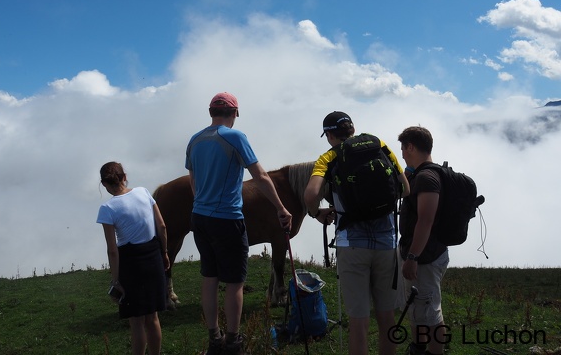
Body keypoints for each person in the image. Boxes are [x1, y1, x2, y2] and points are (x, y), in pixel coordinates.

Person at [185, 92, 292, 355]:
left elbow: (193, 180)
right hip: (227, 219)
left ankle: (215, 341)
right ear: (235, 114)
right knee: (234, 282)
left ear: (211, 111)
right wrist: (281, 207)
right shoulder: (234, 137)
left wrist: (203, 201)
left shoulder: (195, 139)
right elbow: (261, 176)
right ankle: (233, 343)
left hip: (200, 217)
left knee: (209, 278)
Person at [304, 111, 409, 355]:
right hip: (387, 244)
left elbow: (310, 195)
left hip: (351, 245)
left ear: (329, 135)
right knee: (386, 318)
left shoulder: (329, 157)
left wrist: (316, 213)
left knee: (359, 322)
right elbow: (405, 189)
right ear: (352, 129)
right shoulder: (379, 145)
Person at [97, 161, 170, 355]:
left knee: (136, 322)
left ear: (104, 184)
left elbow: (112, 250)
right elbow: (161, 226)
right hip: (153, 254)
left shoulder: (107, 208)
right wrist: (164, 253)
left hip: (130, 263)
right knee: (152, 317)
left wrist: (116, 279)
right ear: (124, 176)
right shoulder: (144, 192)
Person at [397, 126, 449, 355]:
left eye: (403, 148)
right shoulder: (422, 175)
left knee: (431, 312)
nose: (401, 154)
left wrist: (412, 257)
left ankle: (435, 352)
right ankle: (419, 347)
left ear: (411, 147)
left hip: (425, 257)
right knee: (421, 307)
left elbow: (425, 220)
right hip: (426, 254)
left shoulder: (427, 178)